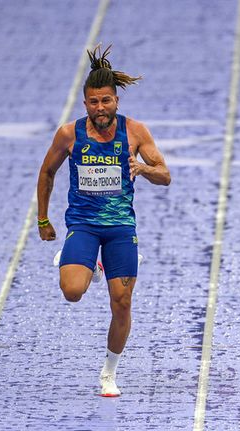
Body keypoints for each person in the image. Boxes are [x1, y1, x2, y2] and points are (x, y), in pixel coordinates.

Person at [36, 45, 170, 397]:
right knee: (72, 292)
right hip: (83, 223)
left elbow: (165, 175)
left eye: (106, 101)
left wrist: (142, 168)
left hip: (120, 229)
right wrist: (42, 219)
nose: (100, 109)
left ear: (116, 101)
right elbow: (47, 173)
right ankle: (88, 262)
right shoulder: (69, 134)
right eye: (94, 103)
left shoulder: (136, 132)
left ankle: (109, 372)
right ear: (85, 105)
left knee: (121, 302)